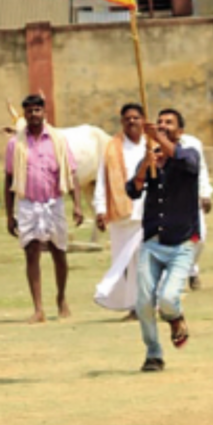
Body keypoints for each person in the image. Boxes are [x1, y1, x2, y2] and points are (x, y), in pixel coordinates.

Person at [126, 109, 199, 373]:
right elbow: (133, 191)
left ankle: (174, 317)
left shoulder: (188, 155)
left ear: (179, 131)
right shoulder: (150, 157)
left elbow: (186, 164)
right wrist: (146, 166)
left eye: (169, 123)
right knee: (143, 302)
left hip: (181, 243)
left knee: (168, 298)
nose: (163, 126)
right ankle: (153, 353)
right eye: (160, 123)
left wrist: (160, 142)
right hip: (152, 241)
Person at [4, 95, 84, 324]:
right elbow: (9, 179)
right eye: (29, 111)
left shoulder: (58, 140)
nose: (33, 114)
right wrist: (9, 215)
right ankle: (38, 308)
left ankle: (61, 298)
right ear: (24, 114)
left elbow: (71, 173)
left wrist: (77, 205)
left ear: (44, 112)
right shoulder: (15, 144)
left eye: (37, 110)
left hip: (54, 203)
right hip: (27, 204)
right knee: (31, 253)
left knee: (59, 252)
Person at [93, 104, 148, 321]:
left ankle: (151, 304)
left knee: (147, 261)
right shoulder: (112, 148)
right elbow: (101, 180)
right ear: (121, 122)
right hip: (122, 214)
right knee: (126, 262)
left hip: (148, 212)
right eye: (127, 118)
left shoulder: (152, 144)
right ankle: (134, 306)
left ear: (143, 120)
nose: (132, 122)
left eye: (136, 118)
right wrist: (100, 209)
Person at [179, 133, 213, 290]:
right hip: (167, 201)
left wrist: (205, 194)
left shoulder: (192, 143)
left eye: (169, 122)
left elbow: (201, 169)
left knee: (198, 237)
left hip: (192, 199)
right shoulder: (155, 143)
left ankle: (191, 269)